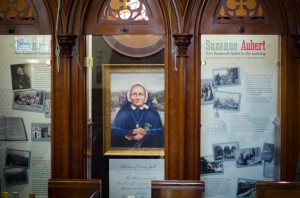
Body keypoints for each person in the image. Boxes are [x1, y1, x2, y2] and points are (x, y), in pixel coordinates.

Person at [111, 83, 164, 148]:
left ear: (145, 97)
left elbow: (159, 133)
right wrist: (130, 132)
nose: (137, 98)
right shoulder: (123, 113)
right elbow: (114, 132)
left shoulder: (153, 113)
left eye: (141, 94)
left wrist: (145, 136)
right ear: (129, 97)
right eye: (134, 94)